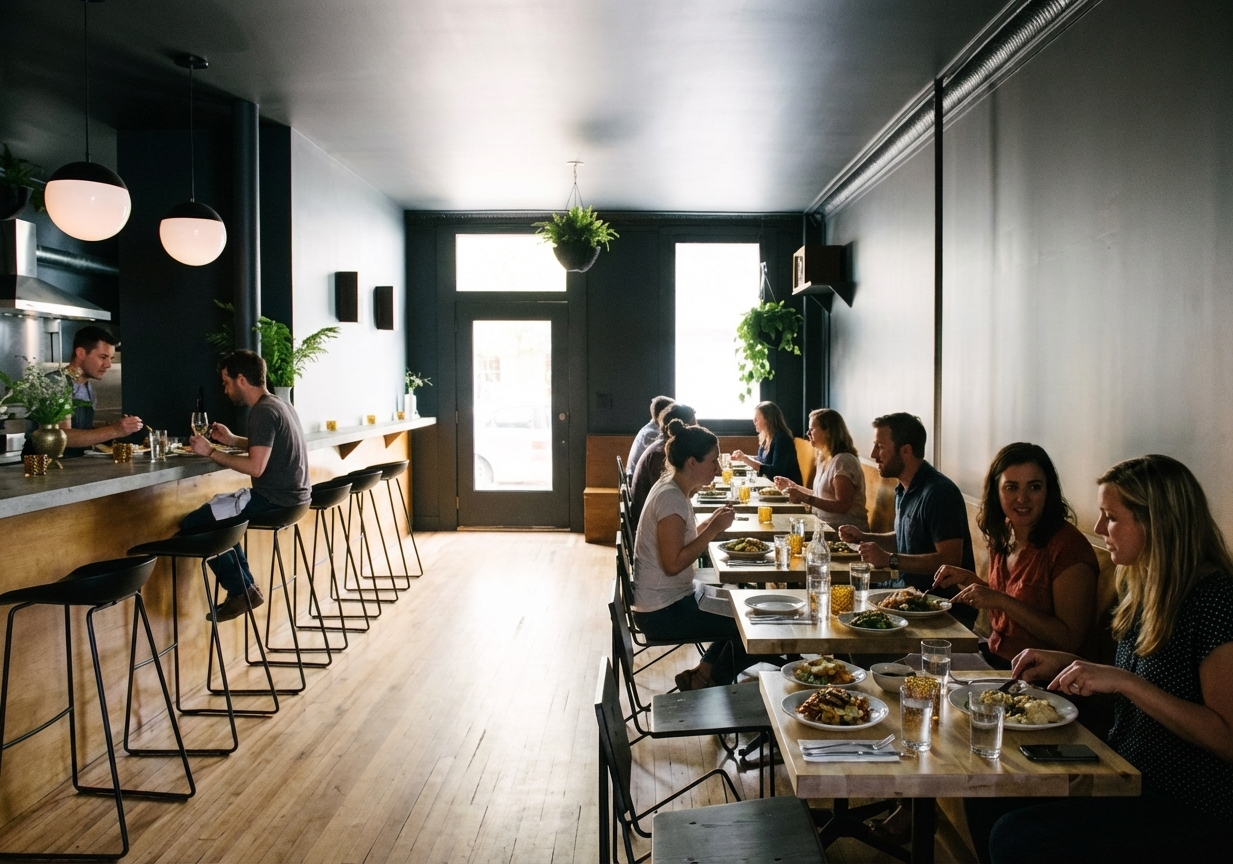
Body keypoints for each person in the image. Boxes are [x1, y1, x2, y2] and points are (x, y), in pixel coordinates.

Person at [965, 455, 1230, 862]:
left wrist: (1123, 681)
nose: (1098, 528)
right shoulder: (1144, 587)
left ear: (1156, 522)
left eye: (1111, 517)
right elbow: (1136, 684)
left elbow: (1225, 737)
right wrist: (1064, 663)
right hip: (1124, 766)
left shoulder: (1214, 600)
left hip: (1186, 798)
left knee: (1016, 837)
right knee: (982, 794)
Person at [632, 419, 781, 691]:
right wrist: (713, 529)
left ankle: (703, 673)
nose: (719, 468)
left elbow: (681, 540)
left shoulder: (674, 488)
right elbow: (673, 563)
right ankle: (710, 682)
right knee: (749, 626)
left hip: (672, 599)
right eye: (713, 461)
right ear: (691, 462)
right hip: (661, 612)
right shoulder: (671, 499)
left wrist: (709, 520)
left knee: (744, 609)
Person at [932, 443, 1098, 668]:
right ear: (996, 491)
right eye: (1011, 487)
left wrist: (1000, 600)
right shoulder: (1005, 532)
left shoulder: (1069, 548)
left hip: (1043, 679)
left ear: (1048, 491)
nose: (1022, 498)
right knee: (920, 668)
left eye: (1034, 487)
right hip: (995, 657)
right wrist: (973, 583)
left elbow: (1068, 640)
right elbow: (1013, 600)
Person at [182, 350, 311, 622]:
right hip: (296, 499)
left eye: (226, 382)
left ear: (241, 379)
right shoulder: (279, 404)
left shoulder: (262, 412)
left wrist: (210, 452)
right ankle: (245, 589)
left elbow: (256, 467)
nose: (225, 390)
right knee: (221, 517)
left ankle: (241, 590)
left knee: (196, 524)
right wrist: (231, 440)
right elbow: (266, 448)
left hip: (276, 500)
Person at [837, 412, 975, 604]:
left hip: (941, 606)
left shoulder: (939, 493)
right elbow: (906, 538)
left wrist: (889, 559)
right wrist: (865, 537)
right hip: (908, 595)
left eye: (881, 447)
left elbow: (950, 560)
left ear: (906, 451)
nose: (873, 454)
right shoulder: (904, 488)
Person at [774, 407, 868, 530]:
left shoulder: (843, 461)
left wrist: (803, 497)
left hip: (845, 534)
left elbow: (842, 506)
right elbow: (821, 496)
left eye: (812, 429)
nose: (807, 434)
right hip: (824, 528)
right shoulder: (825, 458)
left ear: (828, 431)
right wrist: (794, 487)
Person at [58, 325, 144, 455]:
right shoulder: (56, 383)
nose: (108, 365)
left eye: (111, 358)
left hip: (75, 464)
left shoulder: (87, 387)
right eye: (103, 357)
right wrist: (115, 430)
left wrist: (113, 425)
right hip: (50, 467)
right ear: (81, 353)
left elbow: (81, 429)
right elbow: (62, 436)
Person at [629, 402, 696, 525]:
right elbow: (670, 498)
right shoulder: (661, 455)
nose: (698, 431)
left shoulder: (663, 446)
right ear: (683, 428)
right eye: (695, 427)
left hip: (653, 518)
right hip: (651, 525)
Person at [731, 400, 802, 485]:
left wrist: (746, 459)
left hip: (787, 489)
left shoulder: (782, 438)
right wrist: (742, 457)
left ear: (768, 419)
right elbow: (761, 460)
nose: (753, 421)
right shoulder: (766, 436)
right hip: (771, 485)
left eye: (756, 418)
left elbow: (776, 472)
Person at [627, 395, 673, 478]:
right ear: (664, 413)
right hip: (640, 484)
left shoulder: (649, 429)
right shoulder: (652, 434)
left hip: (638, 479)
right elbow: (662, 462)